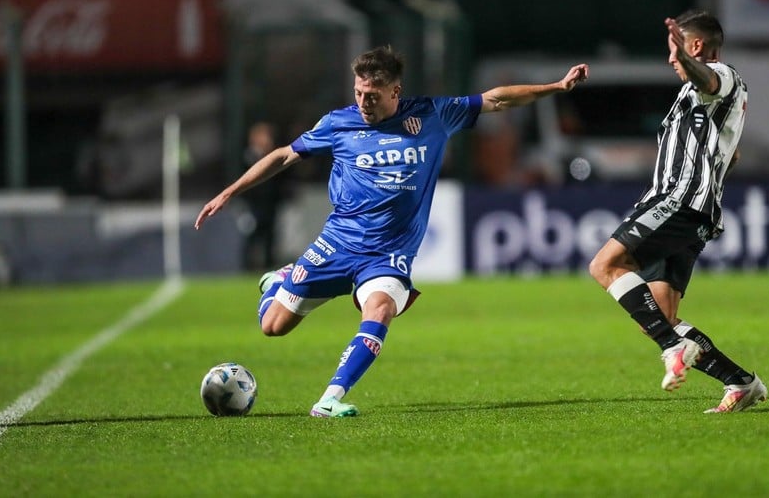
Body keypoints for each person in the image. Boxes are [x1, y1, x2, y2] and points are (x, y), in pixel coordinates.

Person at [195, 46, 589, 417]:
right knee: (273, 326)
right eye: (358, 93)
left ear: (395, 91)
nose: (363, 102)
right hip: (338, 243)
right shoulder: (338, 123)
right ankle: (279, 280)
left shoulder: (433, 115)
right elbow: (284, 155)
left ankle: (330, 399)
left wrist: (555, 87)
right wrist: (230, 191)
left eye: (372, 95)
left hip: (389, 253)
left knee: (380, 309)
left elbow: (496, 100)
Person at [588, 10, 767, 413]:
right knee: (657, 316)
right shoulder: (704, 98)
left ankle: (673, 347)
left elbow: (709, 79)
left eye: (676, 51)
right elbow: (733, 154)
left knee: (605, 266)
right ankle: (741, 383)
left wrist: (687, 60)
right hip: (694, 208)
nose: (671, 59)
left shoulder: (720, 76)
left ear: (697, 46)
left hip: (678, 201)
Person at [241, 122, 282, 271]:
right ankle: (247, 266)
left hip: (269, 204)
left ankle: (268, 265)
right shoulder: (247, 156)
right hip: (253, 205)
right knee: (251, 236)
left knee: (270, 236)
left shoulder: (273, 155)